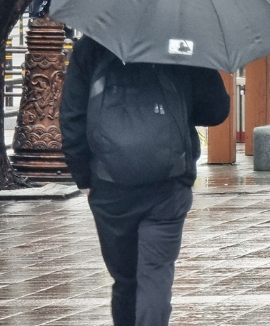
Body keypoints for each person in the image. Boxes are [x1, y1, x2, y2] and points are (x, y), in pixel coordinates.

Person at [60, 36, 230, 326]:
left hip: (109, 183)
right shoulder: (184, 43)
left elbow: (72, 116)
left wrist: (84, 178)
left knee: (125, 280)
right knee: (155, 275)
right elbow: (215, 111)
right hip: (169, 182)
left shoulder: (92, 44)